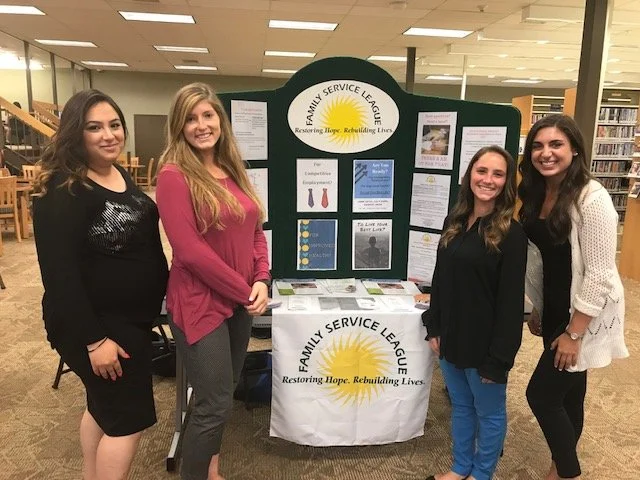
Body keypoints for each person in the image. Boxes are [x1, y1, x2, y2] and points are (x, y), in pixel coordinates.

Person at [32, 89, 168, 480]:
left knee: (102, 409)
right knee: (127, 421)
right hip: (97, 326)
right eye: (95, 128)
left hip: (129, 320)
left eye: (114, 125)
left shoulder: (115, 172)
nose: (109, 135)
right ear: (76, 134)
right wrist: (95, 341)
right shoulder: (63, 188)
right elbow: (59, 275)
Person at [155, 82, 270, 480]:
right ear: (179, 125)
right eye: (191, 118)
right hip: (198, 301)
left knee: (223, 391)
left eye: (208, 115)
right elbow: (189, 252)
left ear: (220, 119)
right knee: (213, 402)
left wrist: (262, 279)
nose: (201, 125)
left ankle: (210, 470)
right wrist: (244, 291)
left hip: (239, 301)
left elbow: (255, 229)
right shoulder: (173, 175)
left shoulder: (232, 169)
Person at [519, 114, 629, 480]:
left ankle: (566, 472)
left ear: (575, 149)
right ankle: (557, 463)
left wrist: (575, 332)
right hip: (554, 307)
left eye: (556, 145)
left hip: (583, 312)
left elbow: (599, 273)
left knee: (541, 395)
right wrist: (538, 307)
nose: (545, 153)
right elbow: (541, 257)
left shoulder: (591, 198)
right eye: (538, 145)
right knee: (569, 392)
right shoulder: (536, 192)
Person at [423, 145, 527, 480]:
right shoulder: (454, 221)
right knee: (462, 408)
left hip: (485, 345)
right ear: (469, 176)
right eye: (482, 171)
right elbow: (440, 280)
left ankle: (482, 475)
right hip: (451, 337)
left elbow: (511, 304)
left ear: (507, 182)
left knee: (489, 412)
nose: (488, 180)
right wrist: (434, 327)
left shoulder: (512, 233)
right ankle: (460, 468)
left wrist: (499, 359)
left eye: (498, 174)